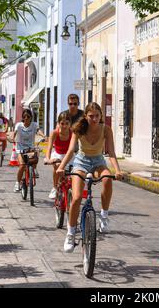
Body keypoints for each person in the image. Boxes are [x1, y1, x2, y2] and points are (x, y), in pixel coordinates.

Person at [57, 102, 123, 253]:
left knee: (107, 178)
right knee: (77, 197)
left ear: (101, 116)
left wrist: (118, 171)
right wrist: (61, 167)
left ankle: (104, 216)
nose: (94, 119)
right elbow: (71, 151)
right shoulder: (78, 129)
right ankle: (71, 233)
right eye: (91, 116)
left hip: (98, 162)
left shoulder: (106, 130)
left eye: (97, 116)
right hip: (81, 162)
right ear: (85, 116)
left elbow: (111, 153)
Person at [12, 109, 46, 192]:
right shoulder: (19, 125)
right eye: (24, 117)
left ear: (31, 117)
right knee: (22, 165)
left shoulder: (34, 125)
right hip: (20, 148)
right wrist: (13, 138)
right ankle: (17, 183)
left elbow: (38, 131)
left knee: (34, 157)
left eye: (28, 117)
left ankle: (34, 169)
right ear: (22, 118)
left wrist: (44, 136)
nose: (26, 118)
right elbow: (15, 132)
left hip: (30, 148)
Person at [44, 112, 73, 199]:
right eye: (62, 123)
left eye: (67, 123)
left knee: (72, 172)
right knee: (57, 166)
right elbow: (49, 148)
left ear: (70, 124)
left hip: (69, 155)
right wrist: (48, 159)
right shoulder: (55, 133)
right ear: (58, 123)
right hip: (58, 154)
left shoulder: (72, 133)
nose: (64, 126)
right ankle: (55, 187)